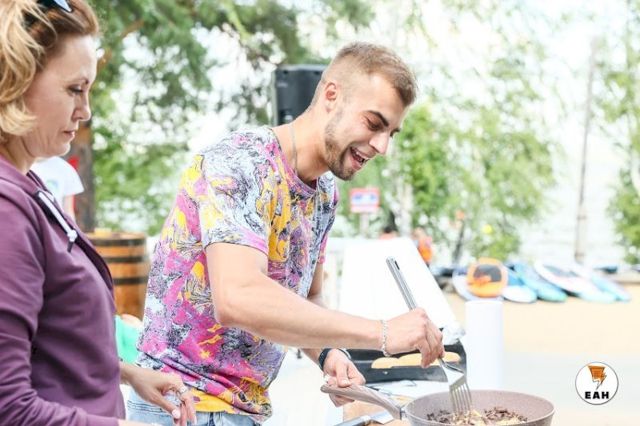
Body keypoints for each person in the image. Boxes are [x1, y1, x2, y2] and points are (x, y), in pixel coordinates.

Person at [128, 42, 444, 425]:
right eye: (374, 124)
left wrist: (329, 353)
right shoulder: (240, 162)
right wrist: (382, 333)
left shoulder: (324, 194)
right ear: (331, 95)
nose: (382, 146)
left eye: (391, 133)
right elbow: (238, 298)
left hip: (243, 411)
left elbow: (308, 297)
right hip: (181, 405)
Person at [0, 1, 197, 425]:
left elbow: (47, 343)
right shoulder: (6, 210)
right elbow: (9, 408)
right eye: (75, 89)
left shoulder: (29, 184)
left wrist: (124, 372)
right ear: (16, 80)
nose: (85, 110)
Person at [31, 156, 84, 220]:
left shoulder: (65, 169)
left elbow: (68, 209)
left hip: (53, 222)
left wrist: (71, 225)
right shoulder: (22, 165)